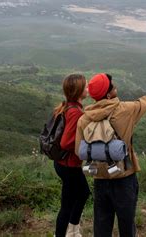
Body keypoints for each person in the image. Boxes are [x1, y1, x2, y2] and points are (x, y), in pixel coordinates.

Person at [75, 73, 146, 237]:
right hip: (124, 178)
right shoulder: (126, 110)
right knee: (126, 225)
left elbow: (78, 151)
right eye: (112, 85)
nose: (115, 86)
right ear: (109, 94)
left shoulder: (84, 119)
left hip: (100, 179)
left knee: (102, 226)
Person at [53, 74, 91, 237]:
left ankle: (73, 230)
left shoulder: (67, 106)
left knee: (82, 193)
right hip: (69, 165)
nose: (88, 89)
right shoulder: (75, 112)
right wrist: (86, 143)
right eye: (86, 86)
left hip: (63, 163)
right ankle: (66, 233)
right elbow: (66, 142)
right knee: (68, 204)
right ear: (78, 90)